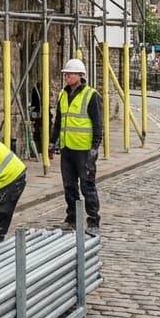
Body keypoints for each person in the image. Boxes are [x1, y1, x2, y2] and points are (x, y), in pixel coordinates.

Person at [52, 58, 103, 236]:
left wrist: (94, 148)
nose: (67, 77)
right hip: (67, 148)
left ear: (81, 75)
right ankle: (72, 218)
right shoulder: (63, 95)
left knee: (87, 186)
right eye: (66, 74)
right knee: (69, 186)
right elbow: (58, 121)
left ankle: (93, 220)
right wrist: (52, 142)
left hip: (84, 150)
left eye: (70, 74)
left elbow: (98, 125)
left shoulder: (91, 95)